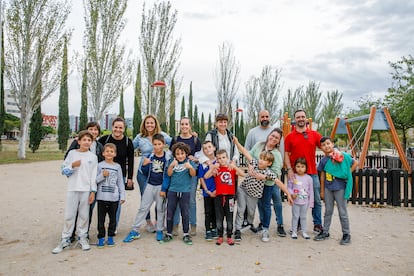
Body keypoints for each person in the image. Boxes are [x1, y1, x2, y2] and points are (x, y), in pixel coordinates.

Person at [233, 137, 293, 242]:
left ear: (269, 163)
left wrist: (288, 193)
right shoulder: (255, 163)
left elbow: (279, 183)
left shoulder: (268, 173)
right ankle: (237, 229)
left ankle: (249, 223)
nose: (261, 161)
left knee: (251, 212)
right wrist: (237, 143)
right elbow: (245, 152)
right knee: (241, 209)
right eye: (261, 158)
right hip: (243, 190)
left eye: (264, 160)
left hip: (254, 195)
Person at [52, 130, 98, 254]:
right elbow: (64, 170)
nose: (87, 142)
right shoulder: (72, 154)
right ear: (79, 141)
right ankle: (65, 238)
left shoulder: (93, 157)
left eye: (89, 140)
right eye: (84, 140)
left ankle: (82, 237)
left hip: (86, 190)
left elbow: (93, 175)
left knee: (84, 215)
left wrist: (93, 191)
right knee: (69, 215)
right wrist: (72, 165)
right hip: (73, 188)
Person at [123, 134, 172, 243]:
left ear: (163, 145)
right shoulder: (150, 156)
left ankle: (159, 230)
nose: (157, 146)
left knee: (160, 209)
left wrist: (164, 189)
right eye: (155, 144)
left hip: (160, 186)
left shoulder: (167, 157)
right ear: (152, 144)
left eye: (159, 144)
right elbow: (145, 172)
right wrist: (144, 165)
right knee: (143, 207)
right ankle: (135, 230)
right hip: (150, 184)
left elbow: (168, 175)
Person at [245, 111, 286, 237]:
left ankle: (280, 225)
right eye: (262, 116)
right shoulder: (254, 134)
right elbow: (248, 153)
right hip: (257, 181)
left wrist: (267, 175)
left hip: (270, 179)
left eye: (267, 116)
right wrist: (250, 166)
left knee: (276, 201)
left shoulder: (276, 133)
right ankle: (263, 224)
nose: (265, 118)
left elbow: (280, 156)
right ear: (259, 118)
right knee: (261, 203)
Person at [284, 109, 324, 234]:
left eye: (303, 117)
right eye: (298, 117)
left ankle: (317, 223)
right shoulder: (290, 137)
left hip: (312, 172)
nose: (301, 119)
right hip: (296, 173)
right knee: (297, 198)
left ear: (306, 119)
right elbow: (286, 154)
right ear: (294, 120)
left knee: (315, 199)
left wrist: (335, 153)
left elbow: (325, 145)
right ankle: (299, 223)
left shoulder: (314, 134)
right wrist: (289, 169)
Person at [64, 121, 104, 243]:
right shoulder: (76, 145)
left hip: (91, 182)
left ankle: (83, 233)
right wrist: (71, 167)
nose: (93, 132)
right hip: (77, 181)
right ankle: (69, 234)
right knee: (72, 210)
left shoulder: (99, 146)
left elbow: (101, 163)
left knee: (87, 210)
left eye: (96, 130)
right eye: (91, 129)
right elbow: (67, 161)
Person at [314, 137, 358, 245]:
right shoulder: (324, 160)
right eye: (324, 145)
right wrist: (322, 191)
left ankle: (346, 234)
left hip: (340, 188)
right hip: (328, 188)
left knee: (342, 212)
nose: (326, 146)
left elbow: (355, 163)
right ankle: (325, 231)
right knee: (328, 211)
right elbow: (323, 175)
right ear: (321, 148)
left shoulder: (341, 155)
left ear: (332, 144)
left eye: (328, 143)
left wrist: (347, 173)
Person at [133, 114, 172, 233]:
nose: (149, 125)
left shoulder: (163, 135)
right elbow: (129, 148)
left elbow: (175, 143)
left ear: (155, 124)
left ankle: (158, 222)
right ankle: (148, 222)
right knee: (145, 198)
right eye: (147, 123)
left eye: (152, 123)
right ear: (144, 125)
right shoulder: (139, 137)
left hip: (159, 171)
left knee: (159, 196)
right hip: (143, 171)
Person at [98, 117, 134, 231]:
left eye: (120, 127)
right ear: (112, 127)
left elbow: (131, 161)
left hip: (119, 175)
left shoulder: (128, 142)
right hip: (104, 173)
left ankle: (114, 226)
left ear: (124, 129)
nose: (118, 129)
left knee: (117, 201)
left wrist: (129, 178)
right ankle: (101, 225)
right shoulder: (104, 139)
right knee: (102, 199)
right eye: (116, 127)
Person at [204, 149, 245, 246]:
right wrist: (212, 168)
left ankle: (230, 236)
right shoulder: (216, 169)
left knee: (229, 217)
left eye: (223, 157)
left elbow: (243, 174)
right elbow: (206, 177)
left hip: (230, 196)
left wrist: (234, 166)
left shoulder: (231, 169)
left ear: (227, 158)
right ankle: (220, 236)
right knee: (219, 217)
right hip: (218, 197)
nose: (221, 160)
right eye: (219, 158)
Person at [160, 142, 197, 245]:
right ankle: (169, 233)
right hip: (173, 190)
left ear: (186, 154)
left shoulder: (189, 162)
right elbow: (169, 174)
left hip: (185, 191)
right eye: (177, 154)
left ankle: (186, 233)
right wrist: (171, 166)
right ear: (174, 154)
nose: (180, 156)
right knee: (170, 212)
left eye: (182, 153)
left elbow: (193, 174)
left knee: (185, 213)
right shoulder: (172, 161)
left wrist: (189, 167)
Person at [170, 117, 201, 236]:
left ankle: (193, 224)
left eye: (186, 124)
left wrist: (196, 158)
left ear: (190, 126)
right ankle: (176, 224)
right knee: (177, 199)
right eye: (182, 124)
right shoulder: (175, 139)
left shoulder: (195, 140)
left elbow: (200, 155)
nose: (184, 126)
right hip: (178, 173)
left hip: (191, 173)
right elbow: (171, 154)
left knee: (191, 200)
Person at [95, 143, 125, 247]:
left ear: (115, 154)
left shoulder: (117, 167)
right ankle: (101, 237)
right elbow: (95, 181)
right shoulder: (99, 165)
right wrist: (102, 176)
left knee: (113, 219)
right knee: (101, 219)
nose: (109, 153)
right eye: (107, 151)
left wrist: (122, 196)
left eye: (111, 151)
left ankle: (111, 236)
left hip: (114, 198)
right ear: (103, 153)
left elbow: (120, 182)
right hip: (101, 198)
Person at [288, 158, 314, 240]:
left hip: (305, 202)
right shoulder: (293, 177)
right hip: (295, 201)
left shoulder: (309, 178)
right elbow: (289, 187)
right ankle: (294, 231)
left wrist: (311, 203)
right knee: (295, 216)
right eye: (298, 166)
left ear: (306, 167)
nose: (300, 168)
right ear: (295, 167)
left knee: (303, 217)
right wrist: (292, 194)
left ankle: (304, 232)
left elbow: (311, 191)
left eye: (302, 166)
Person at [198, 141, 218, 241]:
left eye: (209, 147)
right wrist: (206, 190)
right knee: (208, 212)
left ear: (214, 148)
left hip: (217, 191)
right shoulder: (203, 164)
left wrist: (216, 190)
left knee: (216, 211)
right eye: (205, 148)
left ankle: (215, 228)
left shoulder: (219, 162)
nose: (208, 149)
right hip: (207, 192)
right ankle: (208, 230)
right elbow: (201, 178)